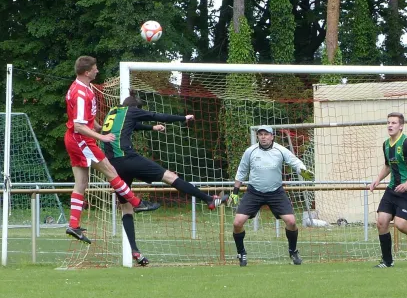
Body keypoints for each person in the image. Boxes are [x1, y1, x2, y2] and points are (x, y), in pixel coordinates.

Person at [101, 92, 229, 266]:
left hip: (112, 166)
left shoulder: (113, 112)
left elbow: (133, 126)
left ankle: (136, 252)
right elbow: (156, 115)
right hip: (128, 158)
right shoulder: (132, 111)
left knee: (126, 207)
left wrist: (152, 128)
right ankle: (209, 199)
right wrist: (182, 117)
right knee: (170, 176)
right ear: (136, 108)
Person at [64, 56, 159, 245]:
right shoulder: (81, 94)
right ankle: (137, 203)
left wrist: (98, 127)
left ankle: (73, 225)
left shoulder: (80, 87)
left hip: (74, 139)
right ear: (86, 72)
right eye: (95, 68)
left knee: (81, 182)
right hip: (81, 140)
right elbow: (79, 125)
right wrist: (102, 137)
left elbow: (85, 119)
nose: (97, 70)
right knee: (111, 171)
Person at [229, 125, 314, 267]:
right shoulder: (250, 151)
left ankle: (293, 251)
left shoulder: (280, 150)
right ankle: (241, 253)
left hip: (276, 192)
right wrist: (235, 192)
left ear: (272, 136)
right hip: (254, 192)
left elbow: (295, 162)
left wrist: (303, 170)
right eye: (260, 134)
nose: (263, 136)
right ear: (257, 136)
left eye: (266, 134)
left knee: (291, 222)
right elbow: (241, 171)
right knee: (237, 223)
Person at [369, 112, 407, 268]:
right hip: (392, 190)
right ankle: (387, 261)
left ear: (401, 126)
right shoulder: (385, 145)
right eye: (388, 122)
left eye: (394, 123)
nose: (390, 125)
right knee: (381, 222)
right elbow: (388, 166)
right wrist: (377, 179)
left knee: (401, 224)